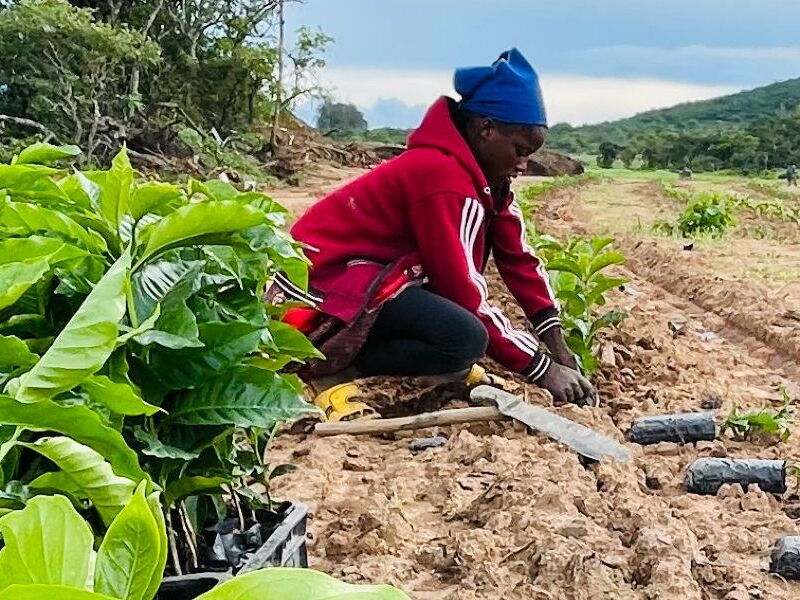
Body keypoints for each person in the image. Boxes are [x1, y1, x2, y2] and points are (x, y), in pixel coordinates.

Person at [272, 49, 594, 420]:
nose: (524, 164)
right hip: (323, 284)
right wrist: (542, 368)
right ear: (486, 129)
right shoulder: (442, 178)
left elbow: (518, 259)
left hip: (374, 278)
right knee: (465, 337)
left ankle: (434, 367)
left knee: (459, 334)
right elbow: (463, 290)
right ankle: (328, 371)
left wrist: (557, 344)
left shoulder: (487, 179)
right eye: (520, 151)